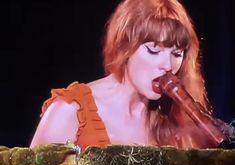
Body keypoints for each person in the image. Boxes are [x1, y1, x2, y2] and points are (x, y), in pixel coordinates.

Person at [30, 0, 221, 151]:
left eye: (177, 54)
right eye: (154, 51)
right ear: (124, 47)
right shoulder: (70, 110)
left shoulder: (173, 123)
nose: (168, 66)